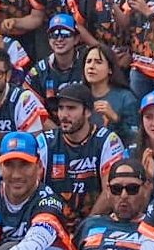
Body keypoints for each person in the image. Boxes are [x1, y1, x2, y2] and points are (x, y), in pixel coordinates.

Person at [41, 80, 127, 220]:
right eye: (61, 108)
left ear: (87, 111)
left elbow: (110, 191)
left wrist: (88, 224)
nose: (64, 115)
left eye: (71, 108)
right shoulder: (45, 142)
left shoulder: (107, 141)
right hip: (52, 221)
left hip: (96, 222)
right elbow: (34, 189)